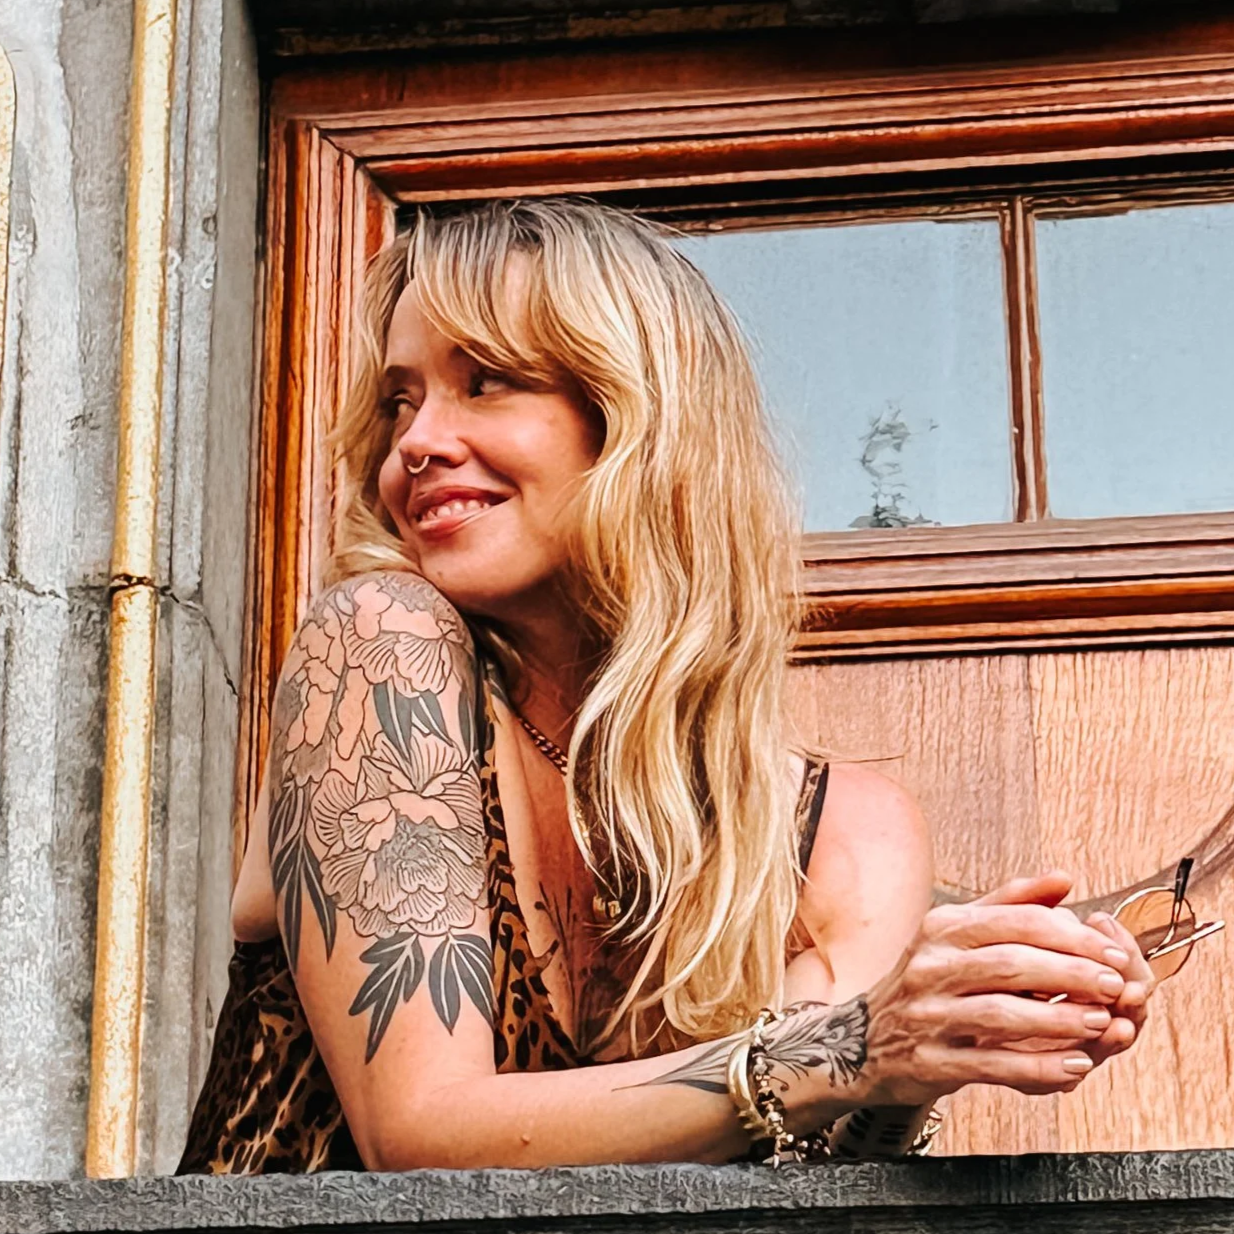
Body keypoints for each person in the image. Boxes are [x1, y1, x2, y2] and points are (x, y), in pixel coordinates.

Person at [179, 197, 1154, 1174]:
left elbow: (822, 1179)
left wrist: (942, 1043)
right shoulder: (377, 645)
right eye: (400, 401)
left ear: (634, 420)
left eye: (486, 382)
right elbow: (422, 1132)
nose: (418, 441)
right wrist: (854, 1047)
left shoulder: (836, 835)